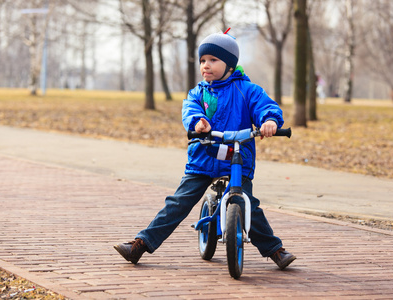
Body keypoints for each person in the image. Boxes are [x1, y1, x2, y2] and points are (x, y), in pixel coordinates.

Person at [114, 29, 296, 270]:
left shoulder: (247, 90)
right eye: (202, 60)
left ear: (230, 64)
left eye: (213, 60)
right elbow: (189, 109)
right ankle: (141, 244)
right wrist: (197, 121)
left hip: (235, 161)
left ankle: (275, 250)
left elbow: (265, 107)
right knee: (178, 202)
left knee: (246, 202)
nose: (206, 65)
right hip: (203, 158)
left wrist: (270, 121)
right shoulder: (199, 92)